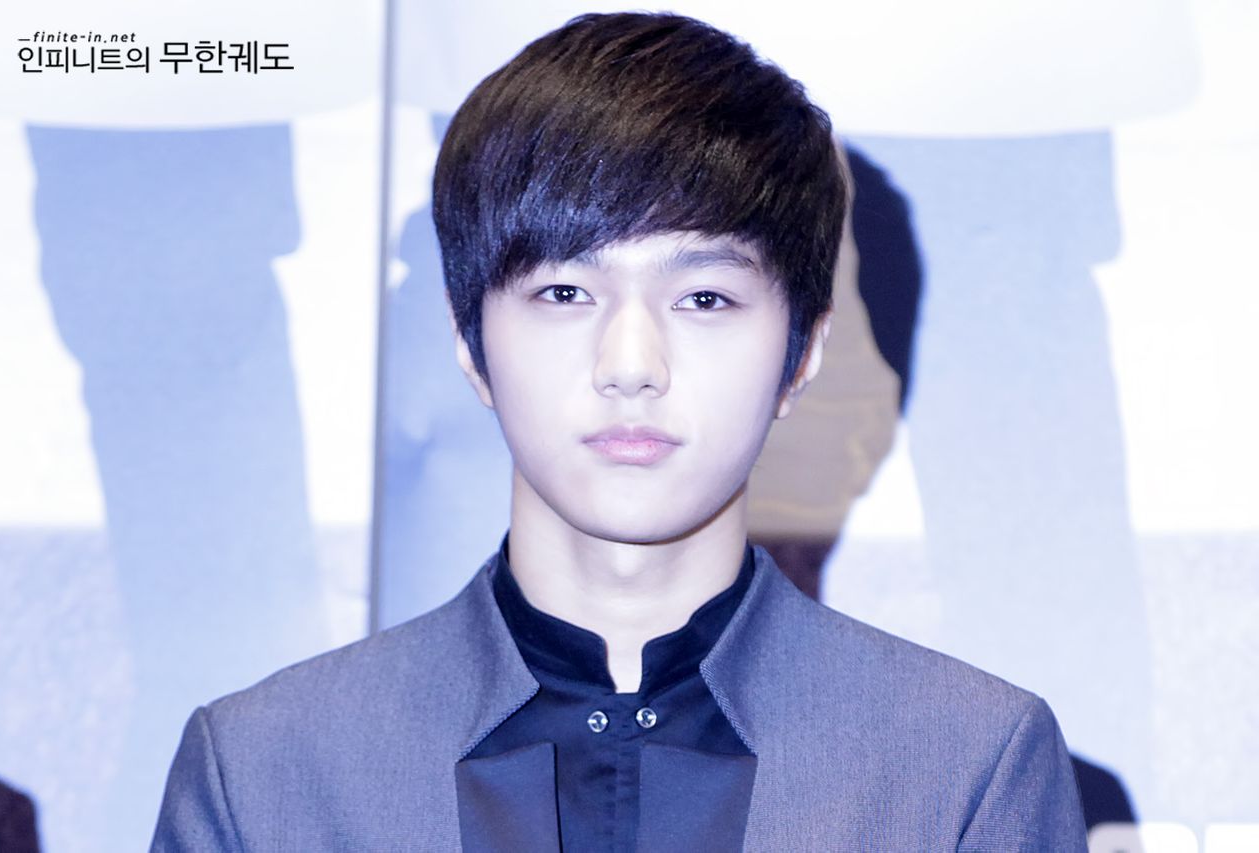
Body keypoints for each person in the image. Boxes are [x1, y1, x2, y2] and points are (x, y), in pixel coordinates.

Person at [152, 12, 1087, 850]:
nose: (631, 362)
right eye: (565, 291)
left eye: (704, 297)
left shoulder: (964, 768)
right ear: (470, 343)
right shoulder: (266, 774)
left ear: (802, 352)